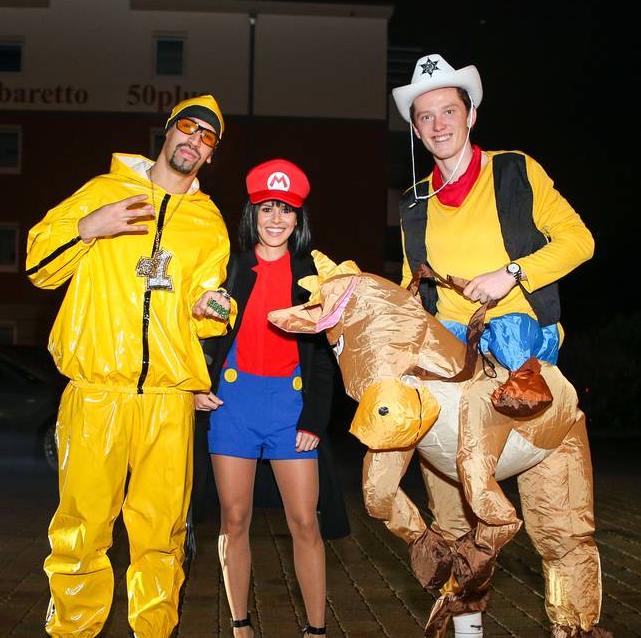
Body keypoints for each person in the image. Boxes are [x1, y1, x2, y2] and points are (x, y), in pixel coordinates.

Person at [392, 55, 605, 637]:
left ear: (471, 114)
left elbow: (579, 241)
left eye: (449, 112)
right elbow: (418, 297)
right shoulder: (413, 205)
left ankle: (574, 629)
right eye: (426, 116)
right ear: (415, 128)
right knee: (456, 529)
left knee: (559, 527)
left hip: (527, 365)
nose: (438, 125)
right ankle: (467, 632)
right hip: (452, 373)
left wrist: (511, 274)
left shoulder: (515, 170)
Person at [26, 94, 235, 638]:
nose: (194, 140)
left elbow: (206, 307)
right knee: (82, 528)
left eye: (207, 137)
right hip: (96, 391)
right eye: (187, 128)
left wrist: (215, 308)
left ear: (211, 154)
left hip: (167, 400)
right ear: (166, 133)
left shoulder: (209, 223)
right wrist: (88, 227)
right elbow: (37, 266)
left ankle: (154, 632)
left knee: (162, 534)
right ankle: (73, 630)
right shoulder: (103, 191)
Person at [192, 159, 344, 638]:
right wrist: (199, 383)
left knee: (304, 522)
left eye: (286, 210)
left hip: (291, 409)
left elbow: (324, 356)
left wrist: (315, 420)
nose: (276, 219)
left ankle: (316, 631)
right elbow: (203, 331)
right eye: (266, 209)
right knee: (234, 519)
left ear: (299, 219)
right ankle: (240, 625)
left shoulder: (315, 274)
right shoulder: (229, 265)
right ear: (252, 214)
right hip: (233, 405)